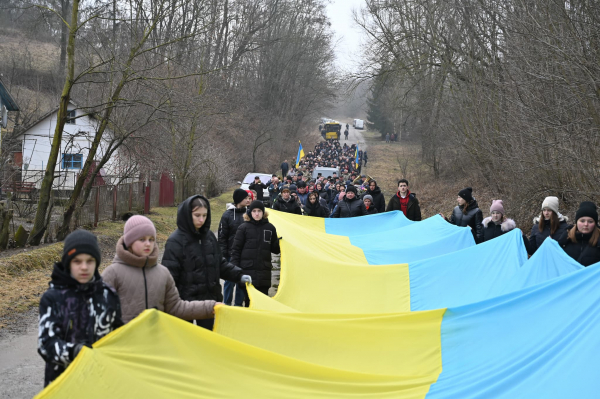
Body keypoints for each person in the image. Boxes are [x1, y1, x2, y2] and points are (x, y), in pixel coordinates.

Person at [38, 230, 123, 386]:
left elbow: (119, 335)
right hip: (63, 382)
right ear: (68, 263)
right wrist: (74, 352)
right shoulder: (53, 298)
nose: (84, 267)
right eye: (77, 261)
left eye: (89, 261)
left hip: (100, 381)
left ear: (96, 262)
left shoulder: (108, 295)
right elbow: (46, 344)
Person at [103, 216, 221, 323]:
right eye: (142, 239)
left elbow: (176, 307)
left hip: (156, 343)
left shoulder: (163, 273)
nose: (148, 244)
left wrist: (210, 307)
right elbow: (98, 313)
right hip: (124, 344)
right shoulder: (112, 273)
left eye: (151, 239)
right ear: (129, 242)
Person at [162, 195, 249, 330]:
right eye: (197, 215)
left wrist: (238, 275)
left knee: (209, 341)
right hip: (184, 304)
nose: (201, 219)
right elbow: (169, 277)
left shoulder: (208, 237)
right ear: (187, 214)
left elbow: (219, 264)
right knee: (187, 343)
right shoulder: (175, 241)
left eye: (204, 215)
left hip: (209, 301)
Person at [231, 201, 281, 306]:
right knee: (250, 303)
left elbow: (275, 249)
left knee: (263, 304)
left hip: (264, 273)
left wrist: (279, 241)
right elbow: (236, 250)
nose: (257, 214)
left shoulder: (270, 228)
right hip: (247, 273)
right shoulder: (243, 228)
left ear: (263, 213)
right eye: (254, 211)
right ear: (250, 213)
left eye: (259, 211)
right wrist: (236, 271)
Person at [218, 189, 252, 306]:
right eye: (245, 198)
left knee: (241, 281)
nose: (248, 200)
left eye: (249, 198)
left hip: (244, 254)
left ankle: (238, 305)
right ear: (238, 200)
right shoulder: (227, 215)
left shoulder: (249, 214)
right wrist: (223, 255)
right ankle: (226, 304)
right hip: (230, 254)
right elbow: (222, 237)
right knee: (229, 281)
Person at [559, 201, 600, 266]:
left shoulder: (598, 243)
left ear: (595, 223)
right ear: (576, 222)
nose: (586, 224)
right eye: (582, 221)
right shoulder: (565, 240)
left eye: (590, 221)